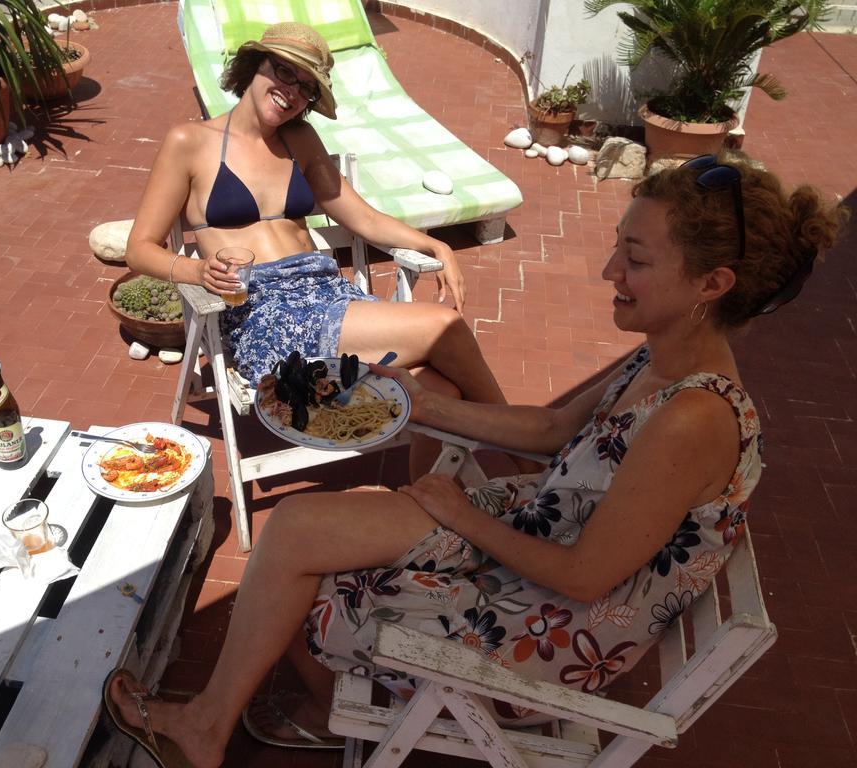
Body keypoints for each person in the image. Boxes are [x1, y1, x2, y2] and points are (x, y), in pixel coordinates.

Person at [105, 155, 843, 767]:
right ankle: (277, 716)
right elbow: (557, 429)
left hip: (553, 623)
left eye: (637, 258)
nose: (609, 268)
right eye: (620, 244)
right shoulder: (667, 360)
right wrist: (425, 407)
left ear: (712, 287)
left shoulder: (694, 417)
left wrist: (459, 510)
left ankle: (226, 724)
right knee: (299, 533)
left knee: (306, 570)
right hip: (538, 532)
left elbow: (586, 575)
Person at [124, 22, 506, 419]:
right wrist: (198, 270)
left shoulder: (300, 139)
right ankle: (527, 445)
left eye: (305, 86)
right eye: (284, 71)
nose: (291, 90)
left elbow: (363, 216)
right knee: (444, 325)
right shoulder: (190, 142)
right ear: (254, 66)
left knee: (439, 388)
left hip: (327, 293)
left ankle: (444, 480)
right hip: (263, 310)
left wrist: (435, 244)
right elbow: (139, 249)